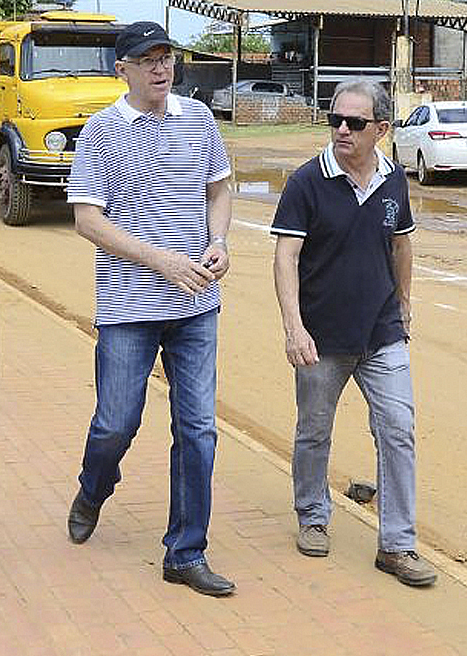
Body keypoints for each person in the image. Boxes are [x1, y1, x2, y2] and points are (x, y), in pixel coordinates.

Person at [65, 22, 235, 597]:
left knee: (199, 430)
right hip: (128, 306)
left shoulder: (199, 120)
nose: (162, 69)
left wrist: (219, 240)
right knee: (116, 422)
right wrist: (159, 259)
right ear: (124, 69)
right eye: (148, 60)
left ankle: (185, 552)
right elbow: (88, 220)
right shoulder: (100, 133)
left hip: (196, 303)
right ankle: (93, 488)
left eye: (167, 58)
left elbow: (220, 187)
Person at [270, 79, 436, 588]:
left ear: (381, 130)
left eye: (355, 123)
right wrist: (294, 327)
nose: (342, 129)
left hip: (382, 332)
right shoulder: (306, 183)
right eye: (335, 119)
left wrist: (404, 304)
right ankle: (313, 515)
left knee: (398, 429)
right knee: (314, 430)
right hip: (321, 336)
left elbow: (402, 245)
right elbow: (285, 257)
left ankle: (397, 544)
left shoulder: (393, 182)